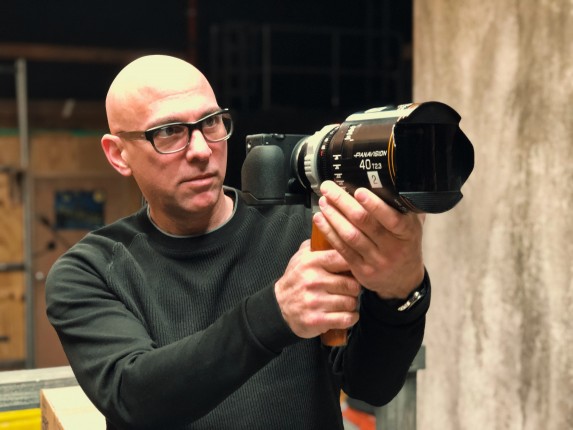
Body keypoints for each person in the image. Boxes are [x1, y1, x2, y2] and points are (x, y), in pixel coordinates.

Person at [45, 54, 430, 430]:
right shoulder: (93, 271)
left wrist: (400, 293)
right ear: (118, 154)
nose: (201, 151)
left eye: (211, 122)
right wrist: (275, 313)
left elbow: (371, 386)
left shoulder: (302, 231)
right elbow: (133, 397)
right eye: (169, 131)